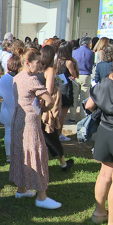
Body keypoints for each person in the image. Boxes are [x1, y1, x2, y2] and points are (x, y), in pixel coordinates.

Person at [9, 48, 61, 209]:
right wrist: (44, 109)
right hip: (30, 121)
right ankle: (42, 196)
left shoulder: (16, 77)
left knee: (21, 152)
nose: (40, 65)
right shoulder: (32, 80)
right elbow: (50, 100)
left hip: (18, 118)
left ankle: (21, 188)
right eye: (37, 62)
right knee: (35, 152)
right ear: (27, 63)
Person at [37, 45, 74, 171]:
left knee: (41, 136)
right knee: (50, 134)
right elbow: (49, 90)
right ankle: (63, 163)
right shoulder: (50, 70)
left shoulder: (37, 68)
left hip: (35, 104)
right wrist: (57, 85)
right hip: (45, 107)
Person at [85, 72, 113, 224]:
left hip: (104, 130)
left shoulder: (103, 82)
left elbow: (89, 105)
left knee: (104, 174)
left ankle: (99, 213)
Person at [0, 55, 21, 162]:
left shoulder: (4, 78)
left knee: (8, 132)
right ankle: (20, 153)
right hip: (21, 109)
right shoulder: (22, 78)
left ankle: (8, 155)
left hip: (7, 109)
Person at [55, 41, 79, 141]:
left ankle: (56, 132)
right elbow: (76, 75)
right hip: (66, 88)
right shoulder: (69, 62)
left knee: (57, 111)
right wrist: (76, 63)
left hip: (58, 86)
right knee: (63, 113)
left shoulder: (57, 61)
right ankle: (59, 134)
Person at [71, 36, 95, 123]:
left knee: (74, 97)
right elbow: (91, 64)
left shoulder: (74, 52)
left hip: (76, 75)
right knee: (84, 97)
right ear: (88, 43)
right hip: (86, 75)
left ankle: (72, 116)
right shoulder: (91, 53)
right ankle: (83, 116)